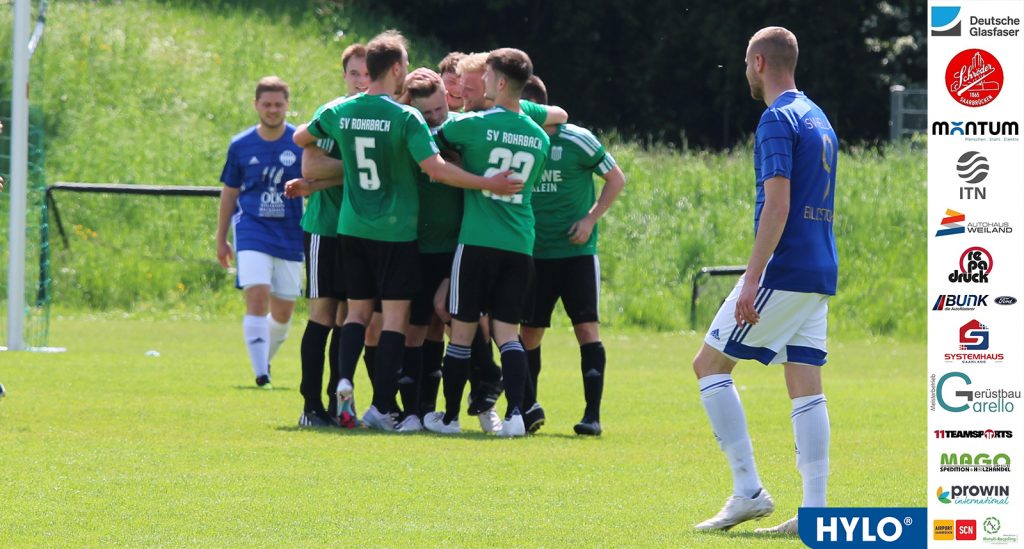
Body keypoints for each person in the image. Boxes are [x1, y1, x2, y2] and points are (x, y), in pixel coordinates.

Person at [293, 30, 521, 432]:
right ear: (397, 68)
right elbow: (435, 169)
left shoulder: (342, 110)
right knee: (396, 322)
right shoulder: (405, 118)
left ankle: (343, 382)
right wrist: (487, 182)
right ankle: (383, 406)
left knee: (355, 315)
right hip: (397, 233)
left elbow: (300, 137)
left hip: (351, 228)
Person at [692, 26, 838, 535]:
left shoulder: (777, 118)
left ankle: (748, 491)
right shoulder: (818, 117)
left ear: (758, 62)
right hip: (819, 268)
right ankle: (815, 511)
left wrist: (752, 277)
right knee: (804, 382)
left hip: (786, 267)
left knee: (710, 365)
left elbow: (778, 204)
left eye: (744, 63)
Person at [423, 48, 550, 437]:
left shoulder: (473, 125)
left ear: (500, 82)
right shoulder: (539, 137)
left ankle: (450, 418)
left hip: (476, 242)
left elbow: (431, 141)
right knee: (508, 334)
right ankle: (515, 417)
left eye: (488, 76)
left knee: (462, 333)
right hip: (519, 244)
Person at [519, 75, 627, 436]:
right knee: (529, 332)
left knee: (586, 328)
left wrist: (589, 219)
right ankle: (527, 409)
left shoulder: (577, 139)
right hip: (533, 253)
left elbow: (616, 178)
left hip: (576, 254)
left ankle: (592, 416)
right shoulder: (518, 140)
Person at [288, 43, 368, 428]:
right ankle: (310, 405)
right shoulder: (332, 113)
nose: (361, 80)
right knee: (321, 315)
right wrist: (367, 164)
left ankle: (340, 404)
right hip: (326, 227)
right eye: (354, 73)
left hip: (361, 231)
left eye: (368, 73)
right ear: (344, 76)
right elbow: (311, 167)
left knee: (348, 318)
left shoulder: (384, 116)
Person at [216, 76, 305, 389]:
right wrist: (221, 238)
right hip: (252, 229)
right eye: (266, 104)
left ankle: (262, 358)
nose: (272, 110)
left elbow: (314, 181)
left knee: (283, 312)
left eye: (278, 104)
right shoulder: (241, 145)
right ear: (256, 105)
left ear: (287, 105)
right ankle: (261, 374)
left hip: (290, 232)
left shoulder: (300, 142)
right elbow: (230, 192)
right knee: (257, 295)